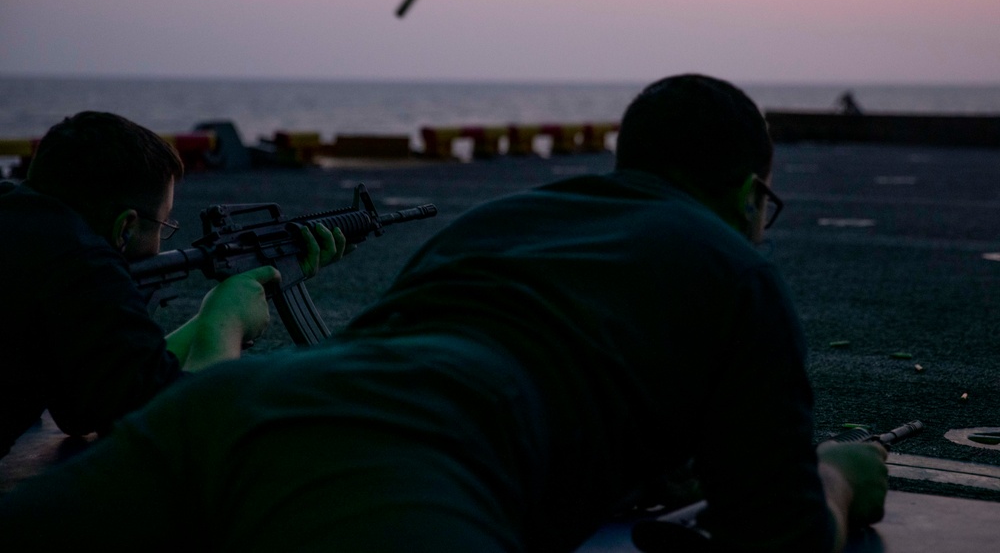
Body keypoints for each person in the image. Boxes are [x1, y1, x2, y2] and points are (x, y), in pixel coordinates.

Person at [0, 76, 886, 552]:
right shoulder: (733, 265)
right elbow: (783, 537)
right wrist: (839, 473)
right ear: (746, 192)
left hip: (230, 417)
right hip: (409, 465)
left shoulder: (507, 220)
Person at [0, 111, 347, 459]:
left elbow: (84, 408)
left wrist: (212, 314)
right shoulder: (82, 265)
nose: (161, 244)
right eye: (163, 225)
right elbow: (187, 429)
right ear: (125, 228)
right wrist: (224, 325)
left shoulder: (35, 237)